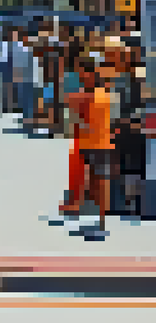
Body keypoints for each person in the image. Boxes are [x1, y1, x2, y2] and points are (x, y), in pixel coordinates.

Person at [70, 57, 116, 240]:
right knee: (92, 183)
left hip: (101, 143)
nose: (80, 75)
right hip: (88, 143)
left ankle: (102, 221)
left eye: (82, 71)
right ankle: (97, 219)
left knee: (100, 183)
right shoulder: (87, 93)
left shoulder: (101, 94)